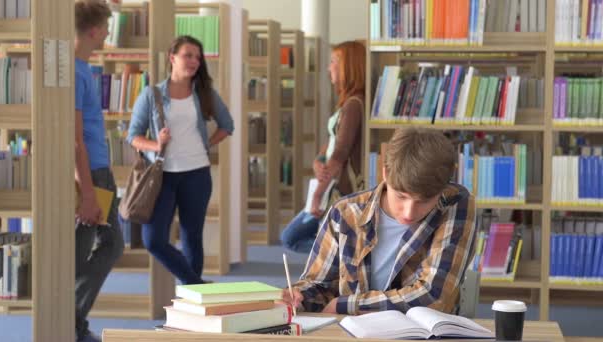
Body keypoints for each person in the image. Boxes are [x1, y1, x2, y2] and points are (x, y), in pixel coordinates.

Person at [282, 127, 477, 315]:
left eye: (424, 201)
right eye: (401, 196)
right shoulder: (344, 213)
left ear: (442, 188)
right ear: (385, 173)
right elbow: (319, 286)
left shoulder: (456, 203)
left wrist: (347, 305)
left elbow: (433, 297)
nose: (409, 213)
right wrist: (300, 296)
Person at [127, 35, 234, 285]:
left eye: (198, 57)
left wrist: (205, 145)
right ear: (172, 57)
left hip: (197, 174)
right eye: (188, 55)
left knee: (192, 238)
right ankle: (196, 286)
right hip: (161, 176)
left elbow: (227, 125)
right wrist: (157, 145)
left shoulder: (204, 94)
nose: (194, 61)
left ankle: (193, 302)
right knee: (153, 240)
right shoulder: (151, 95)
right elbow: (133, 136)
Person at [280, 41, 366, 253]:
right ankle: (344, 257)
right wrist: (318, 161)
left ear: (349, 66)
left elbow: (339, 154)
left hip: (338, 190)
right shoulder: (347, 103)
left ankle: (346, 256)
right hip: (331, 186)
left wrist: (317, 195)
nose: (329, 68)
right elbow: (331, 142)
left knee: (291, 238)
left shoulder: (354, 105)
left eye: (333, 62)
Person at [74, 1, 124, 341]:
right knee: (98, 248)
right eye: (106, 26)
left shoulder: (81, 68)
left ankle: (72, 320)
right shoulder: (76, 72)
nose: (108, 33)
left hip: (98, 171)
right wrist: (88, 191)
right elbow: (74, 138)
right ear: (94, 30)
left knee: (103, 246)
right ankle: (70, 321)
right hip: (91, 174)